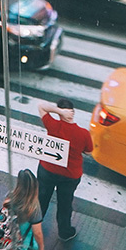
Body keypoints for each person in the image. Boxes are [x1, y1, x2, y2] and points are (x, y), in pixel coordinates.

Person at [37, 99, 93, 242]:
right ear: (73, 112)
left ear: (60, 111)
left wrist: (59, 112)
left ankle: (34, 227)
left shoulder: (53, 126)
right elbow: (89, 152)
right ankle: (64, 231)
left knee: (41, 199)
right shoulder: (83, 133)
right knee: (65, 203)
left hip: (47, 170)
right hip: (70, 175)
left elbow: (41, 106)